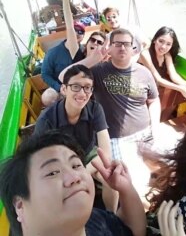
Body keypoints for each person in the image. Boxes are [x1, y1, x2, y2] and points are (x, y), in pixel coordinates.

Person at [0, 131, 146, 236]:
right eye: (52, 173)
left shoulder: (94, 220)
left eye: (76, 165)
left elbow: (132, 229)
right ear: (20, 206)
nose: (74, 177)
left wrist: (126, 189)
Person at [59, 28, 161, 161]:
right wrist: (93, 59)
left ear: (133, 48)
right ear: (110, 48)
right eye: (117, 44)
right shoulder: (98, 71)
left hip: (147, 132)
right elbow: (63, 77)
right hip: (116, 139)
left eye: (127, 44)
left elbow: (153, 100)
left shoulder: (144, 72)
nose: (122, 47)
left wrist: (156, 128)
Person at [36, 64, 117, 211]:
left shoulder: (95, 108)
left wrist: (83, 170)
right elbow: (43, 159)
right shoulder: (47, 120)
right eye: (75, 87)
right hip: (62, 163)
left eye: (87, 87)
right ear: (64, 89)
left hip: (88, 156)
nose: (82, 93)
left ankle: (112, 218)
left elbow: (105, 153)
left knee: (111, 178)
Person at [139, 26, 186, 120]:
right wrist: (181, 88)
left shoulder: (167, 55)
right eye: (161, 41)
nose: (163, 47)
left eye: (168, 44)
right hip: (141, 85)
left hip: (154, 85)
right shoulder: (145, 54)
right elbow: (158, 79)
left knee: (177, 93)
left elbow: (173, 75)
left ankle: (162, 120)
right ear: (154, 40)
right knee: (177, 90)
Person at [41, 20, 86, 106]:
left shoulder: (84, 51)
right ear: (68, 32)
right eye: (74, 30)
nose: (77, 33)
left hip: (81, 85)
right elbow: (45, 74)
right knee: (47, 97)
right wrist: (59, 87)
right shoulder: (53, 53)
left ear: (83, 36)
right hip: (61, 86)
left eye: (80, 32)